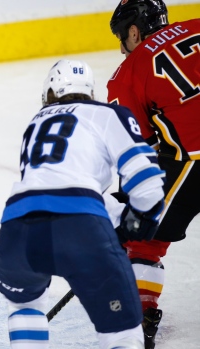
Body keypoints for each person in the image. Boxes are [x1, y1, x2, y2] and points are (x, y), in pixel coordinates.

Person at [0, 59, 165, 349]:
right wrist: (143, 217)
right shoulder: (109, 114)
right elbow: (144, 179)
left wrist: (118, 219)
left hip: (16, 231)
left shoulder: (35, 123)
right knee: (122, 333)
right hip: (80, 228)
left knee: (25, 307)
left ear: (50, 92)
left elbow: (55, 187)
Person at [108, 1, 200, 347]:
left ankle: (140, 315)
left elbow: (136, 149)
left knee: (144, 237)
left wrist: (131, 211)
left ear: (134, 31)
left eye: (122, 36)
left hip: (193, 156)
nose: (122, 45)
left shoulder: (129, 71)